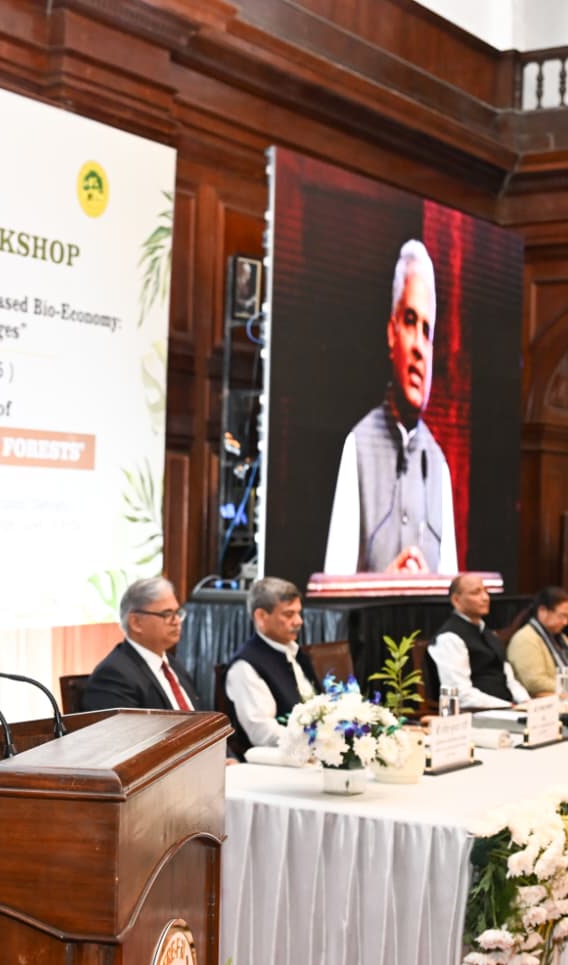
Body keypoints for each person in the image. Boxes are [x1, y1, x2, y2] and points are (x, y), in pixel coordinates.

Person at [323, 239, 458, 575]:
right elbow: (335, 579)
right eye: (410, 322)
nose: (419, 348)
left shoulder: (438, 463)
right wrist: (385, 583)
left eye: (427, 331)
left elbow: (453, 583)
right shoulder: (359, 445)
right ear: (391, 333)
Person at [224, 577, 320, 758]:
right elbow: (262, 732)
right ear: (261, 616)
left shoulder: (295, 653)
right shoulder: (245, 666)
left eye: (299, 613)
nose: (299, 621)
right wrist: (315, 742)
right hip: (278, 761)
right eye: (289, 614)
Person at [81, 576, 202, 712]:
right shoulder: (113, 675)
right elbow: (125, 726)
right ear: (136, 622)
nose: (177, 621)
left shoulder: (174, 665)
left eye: (178, 613)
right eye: (167, 614)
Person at [428, 573, 529, 709]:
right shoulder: (449, 638)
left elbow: (509, 680)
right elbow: (461, 695)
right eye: (476, 593)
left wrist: (526, 703)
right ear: (456, 600)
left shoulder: (487, 633)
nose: (485, 598)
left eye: (486, 591)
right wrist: (508, 706)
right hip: (476, 713)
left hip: (507, 709)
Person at [506, 586, 568, 697]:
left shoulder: (563, 639)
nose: (565, 622)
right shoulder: (525, 639)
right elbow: (535, 682)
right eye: (562, 616)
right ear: (542, 611)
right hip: (546, 700)